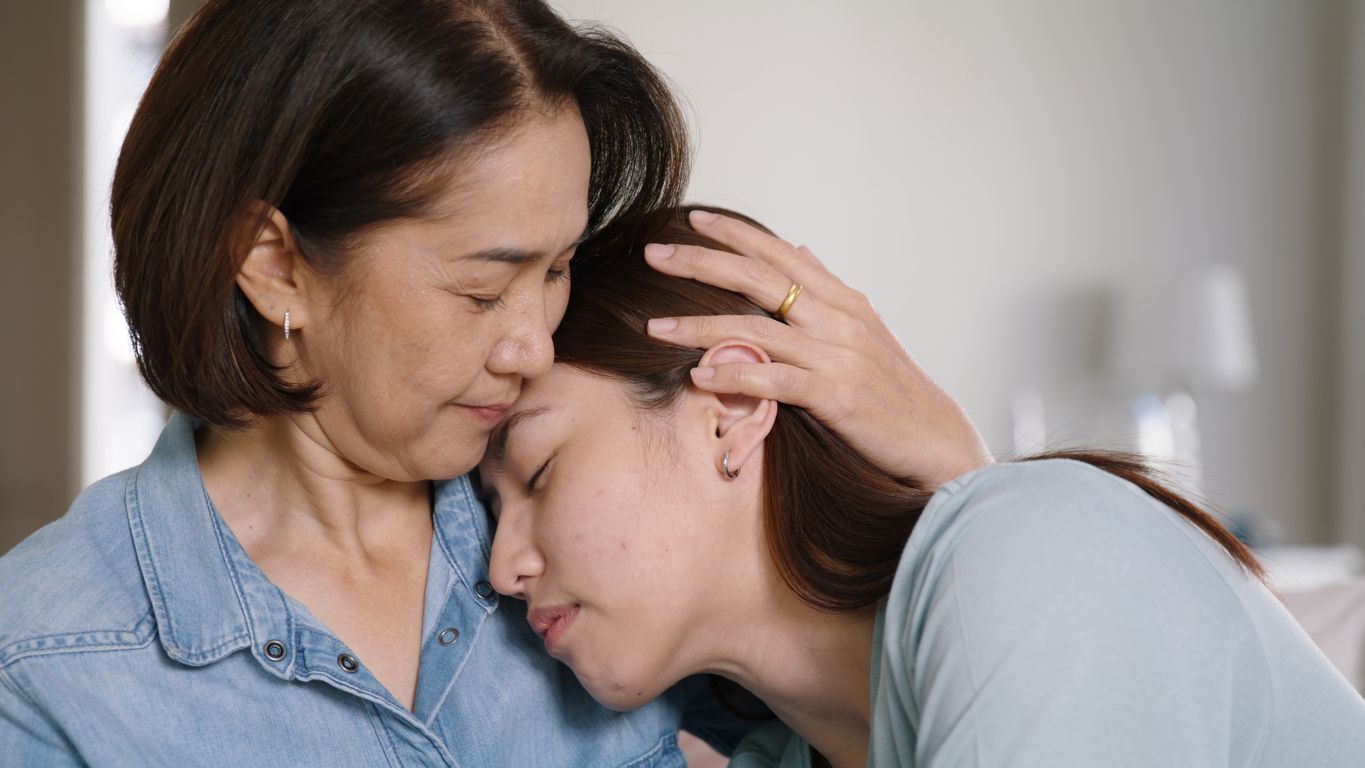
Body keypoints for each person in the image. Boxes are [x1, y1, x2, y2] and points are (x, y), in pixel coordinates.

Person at [0, 2, 990, 765]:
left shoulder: (595, 538)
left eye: (555, 272)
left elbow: (917, 708)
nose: (532, 344)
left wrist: (964, 487)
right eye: (483, 288)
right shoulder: (46, 662)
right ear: (274, 264)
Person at [480, 206, 1365, 768]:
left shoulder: (1041, 549)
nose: (499, 568)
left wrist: (966, 480)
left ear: (736, 404)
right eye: (489, 512)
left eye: (541, 472)